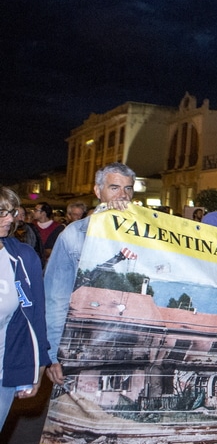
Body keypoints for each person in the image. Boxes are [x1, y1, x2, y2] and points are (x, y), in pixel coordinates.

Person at [45, 162, 136, 387]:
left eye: (128, 189)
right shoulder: (74, 235)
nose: (123, 195)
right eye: (114, 187)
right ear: (98, 191)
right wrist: (53, 354)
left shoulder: (150, 234)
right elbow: (56, 297)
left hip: (126, 341)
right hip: (84, 339)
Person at [0, 187, 48, 428]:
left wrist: (39, 364)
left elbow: (36, 314)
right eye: (1, 212)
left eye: (11, 212)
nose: (10, 219)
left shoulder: (23, 257)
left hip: (3, 372)